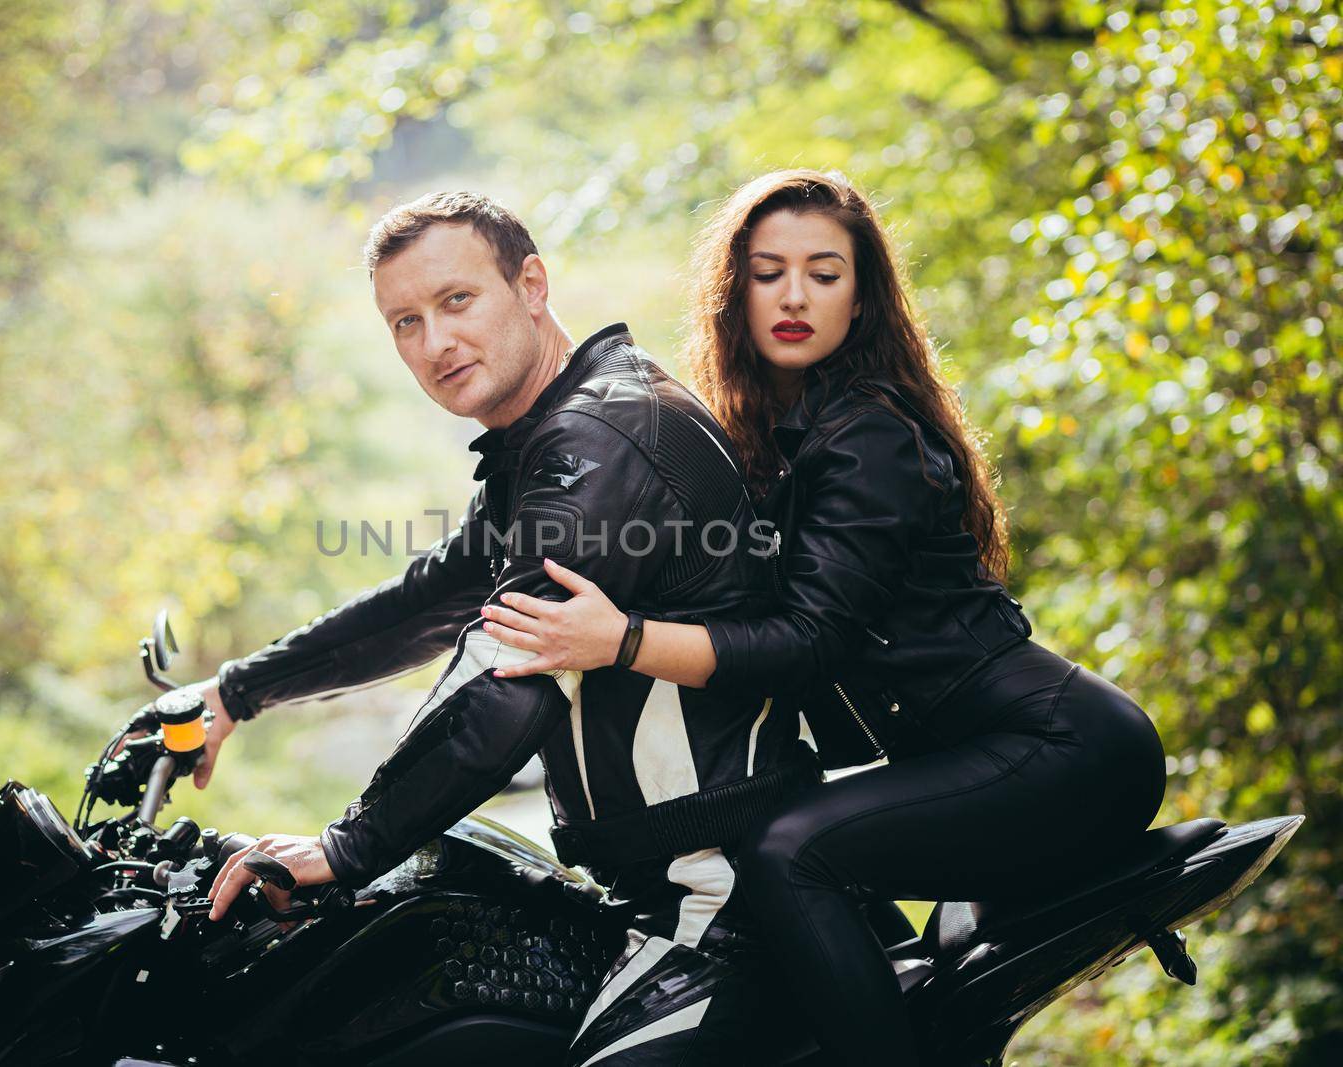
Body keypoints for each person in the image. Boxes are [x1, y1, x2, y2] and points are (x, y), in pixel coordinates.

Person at [481, 169, 1169, 1064]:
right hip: (974, 751)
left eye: (824, 272)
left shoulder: (866, 433)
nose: (794, 296)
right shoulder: (775, 429)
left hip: (1062, 749)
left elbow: (809, 643)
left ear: (863, 295)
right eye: (768, 272)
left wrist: (624, 640)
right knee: (817, 856)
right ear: (736, 292)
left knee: (790, 851)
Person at [180, 191, 814, 1063]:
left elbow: (504, 686)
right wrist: (233, 691)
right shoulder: (553, 439)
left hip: (724, 905)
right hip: (657, 891)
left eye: (456, 301)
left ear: (532, 284)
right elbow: (430, 600)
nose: (435, 343)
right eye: (405, 322)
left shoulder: (603, 439)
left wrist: (347, 844)